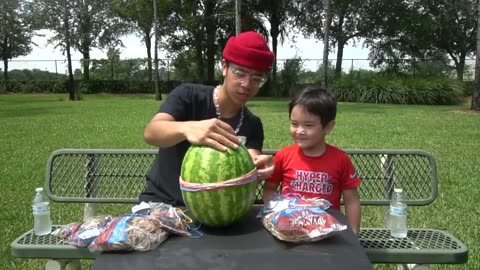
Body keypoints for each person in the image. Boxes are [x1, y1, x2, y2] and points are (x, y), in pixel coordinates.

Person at [139, 31, 276, 207]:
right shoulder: (188, 96)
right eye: (240, 72)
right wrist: (188, 129)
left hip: (214, 214)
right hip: (163, 203)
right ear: (224, 66)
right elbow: (151, 132)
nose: (247, 84)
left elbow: (250, 164)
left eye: (257, 78)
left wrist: (256, 170)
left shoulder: (253, 124)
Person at [262, 86, 361, 235]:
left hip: (326, 230)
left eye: (308, 125)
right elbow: (269, 188)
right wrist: (279, 209)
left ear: (328, 127)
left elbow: (351, 200)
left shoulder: (340, 159)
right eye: (294, 124)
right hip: (290, 228)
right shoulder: (284, 155)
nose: (300, 130)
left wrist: (353, 232)